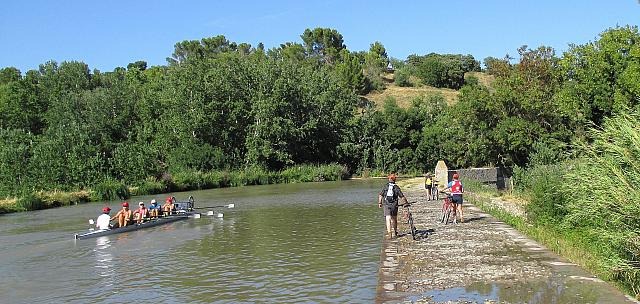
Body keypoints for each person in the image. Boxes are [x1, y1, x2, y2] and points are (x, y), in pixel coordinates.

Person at [378, 173, 409, 239]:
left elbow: (380, 195)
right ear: (395, 180)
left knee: (388, 218)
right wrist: (406, 203)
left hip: (386, 204)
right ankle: (395, 232)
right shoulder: (396, 187)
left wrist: (380, 203)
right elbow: (402, 197)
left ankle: (389, 233)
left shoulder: (386, 186)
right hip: (394, 205)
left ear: (389, 179)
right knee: (394, 218)